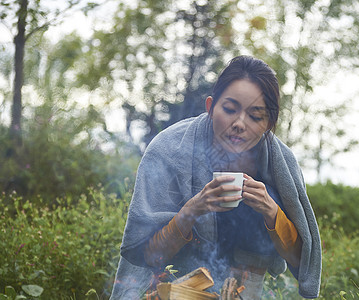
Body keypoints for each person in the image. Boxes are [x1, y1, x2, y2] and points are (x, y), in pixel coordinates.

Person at [110, 56, 321, 299]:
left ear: (269, 123)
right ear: (210, 107)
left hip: (245, 292)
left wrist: (272, 212)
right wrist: (191, 211)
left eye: (255, 116)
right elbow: (145, 254)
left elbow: (300, 259)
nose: (239, 124)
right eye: (230, 110)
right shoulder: (169, 149)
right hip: (169, 289)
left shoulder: (278, 164)